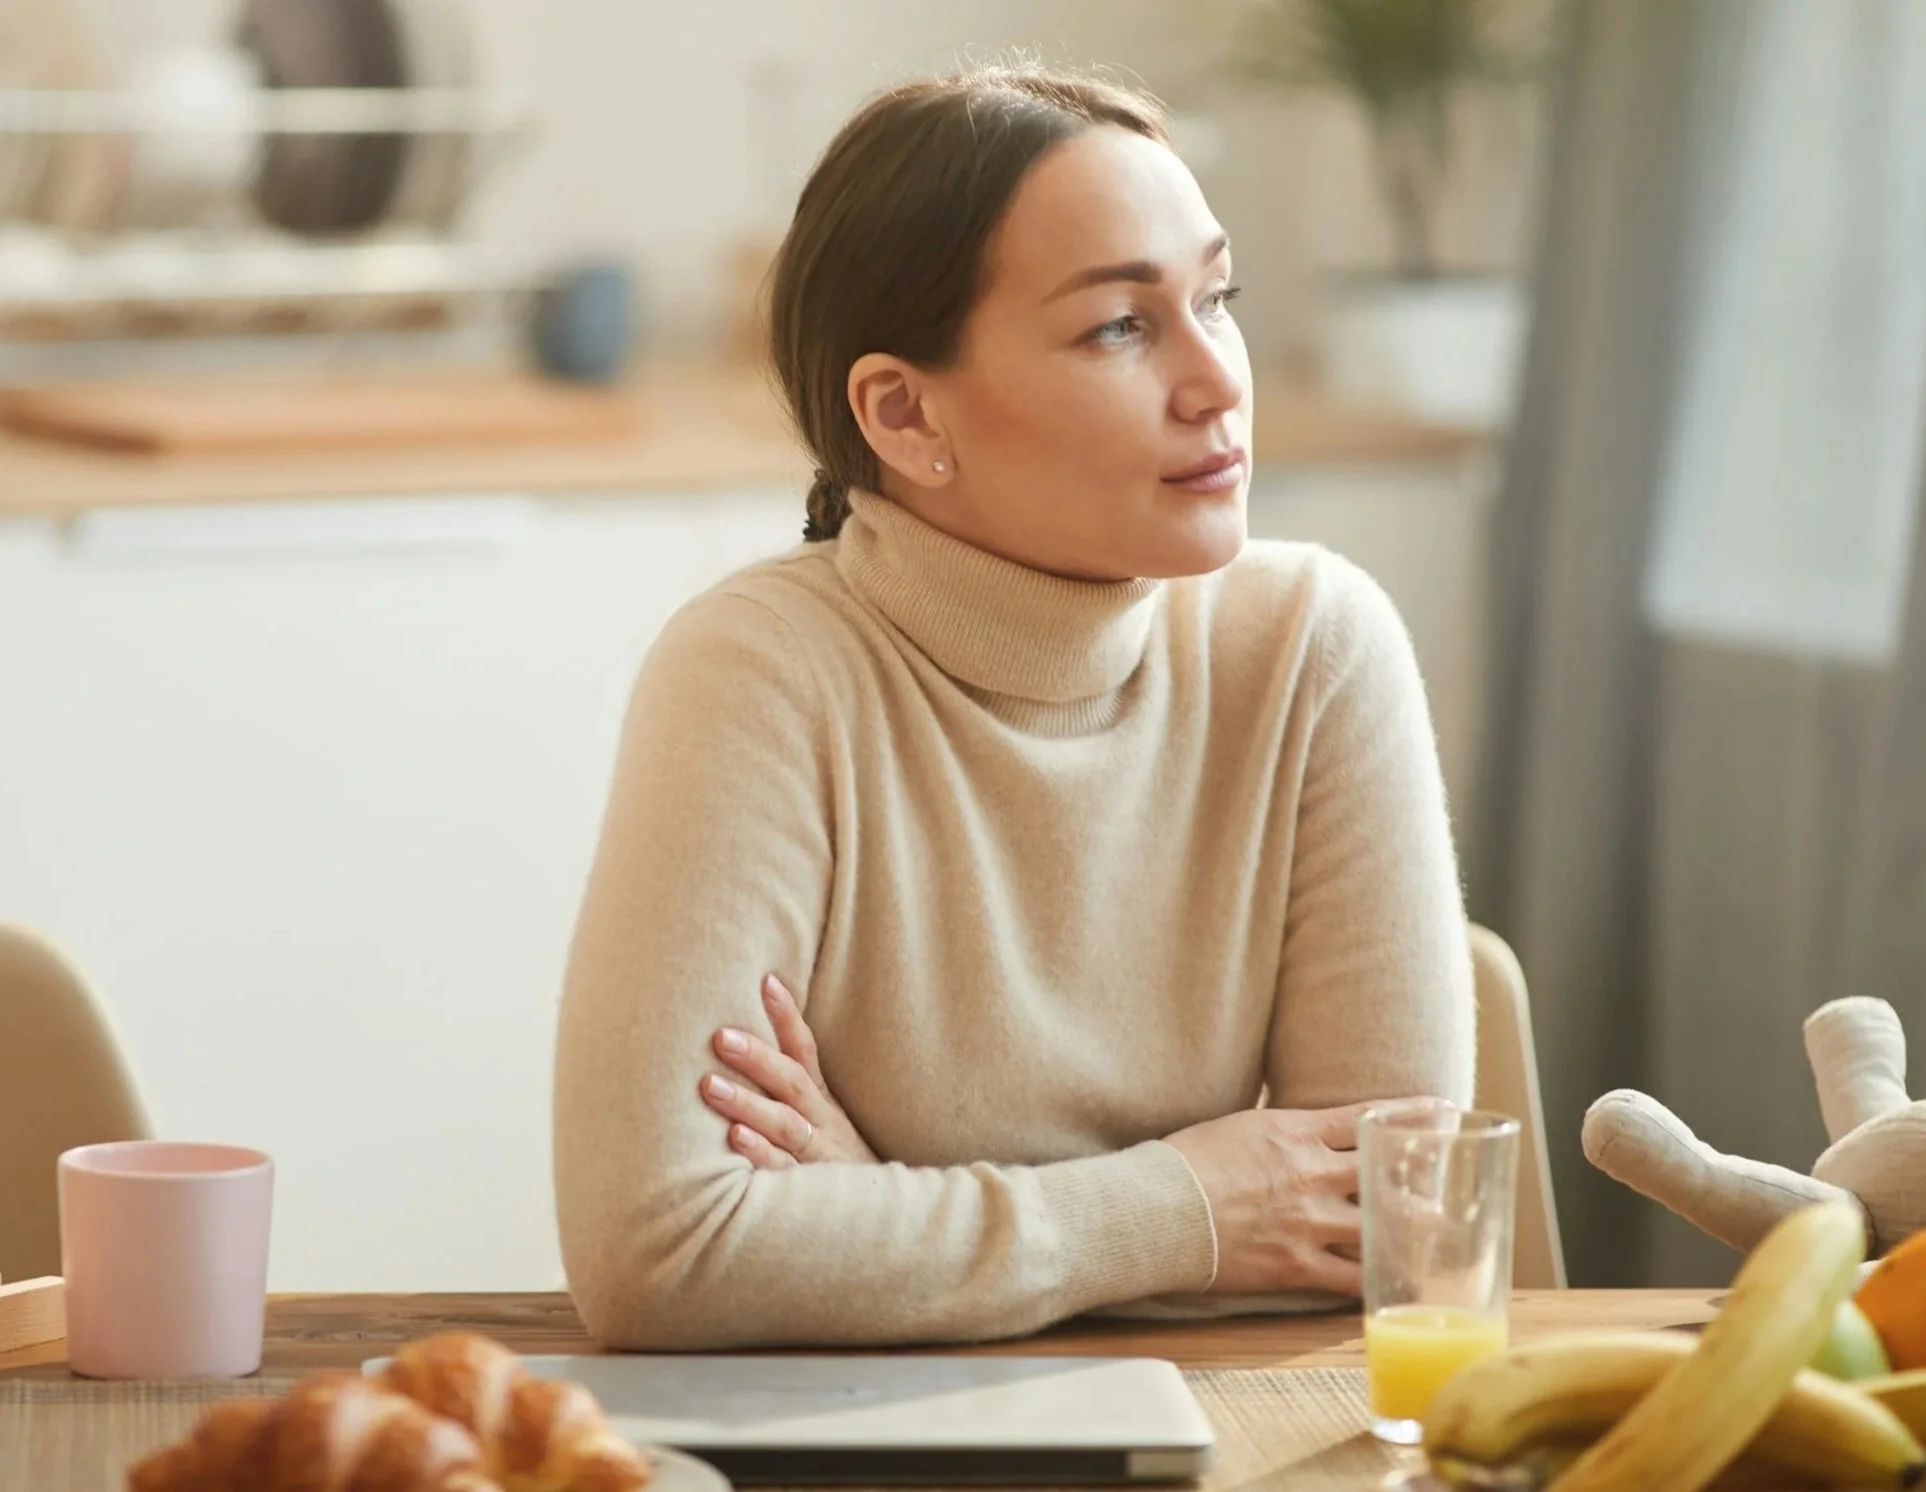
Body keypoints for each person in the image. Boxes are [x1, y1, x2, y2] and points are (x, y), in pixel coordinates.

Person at [552, 60, 1473, 1351]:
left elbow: (1395, 1223)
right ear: (906, 414)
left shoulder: (1315, 649)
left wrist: (873, 1216)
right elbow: (660, 1254)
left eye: (1218, 298)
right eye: (1121, 327)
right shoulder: (759, 675)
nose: (1217, 381)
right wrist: (1190, 1208)